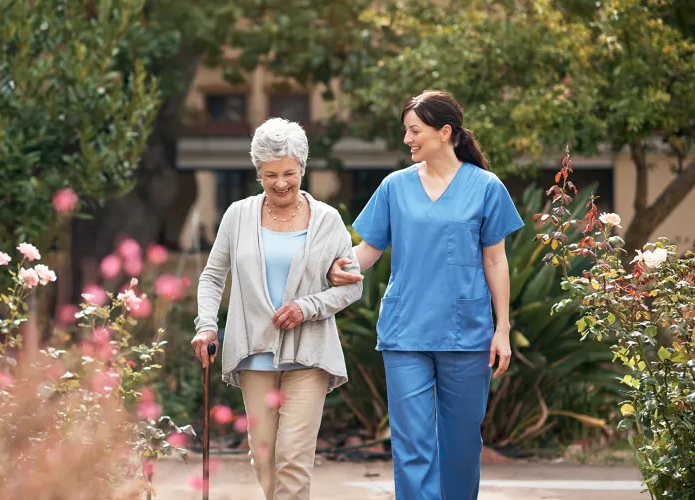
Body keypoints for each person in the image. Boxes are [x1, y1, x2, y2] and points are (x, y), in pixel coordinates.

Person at [328, 90, 524, 499]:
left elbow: (496, 262)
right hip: (406, 332)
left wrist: (502, 329)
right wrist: (331, 269)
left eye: (414, 131)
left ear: (445, 132)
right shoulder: (394, 187)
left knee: (462, 447)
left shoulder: (486, 187)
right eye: (406, 132)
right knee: (411, 445)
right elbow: (367, 250)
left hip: (466, 332)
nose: (407, 140)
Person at [192, 117, 363, 500]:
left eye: (289, 172)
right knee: (264, 457)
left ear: (302, 168)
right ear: (258, 173)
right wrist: (206, 326)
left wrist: (308, 307)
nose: (281, 183)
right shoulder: (238, 216)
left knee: (293, 459)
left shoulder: (327, 220)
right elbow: (212, 277)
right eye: (270, 174)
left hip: (309, 354)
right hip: (254, 354)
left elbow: (351, 289)